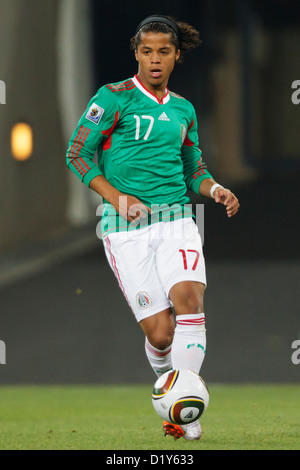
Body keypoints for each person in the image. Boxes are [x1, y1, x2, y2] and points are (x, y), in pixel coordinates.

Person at [66, 14, 239, 441]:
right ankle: (171, 391)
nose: (155, 59)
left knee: (189, 298)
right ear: (137, 53)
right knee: (161, 335)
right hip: (124, 228)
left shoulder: (183, 108)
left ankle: (183, 411)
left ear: (177, 55)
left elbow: (192, 165)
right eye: (147, 51)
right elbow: (77, 153)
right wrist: (117, 198)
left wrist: (214, 188)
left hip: (178, 218)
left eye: (164, 51)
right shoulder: (113, 98)